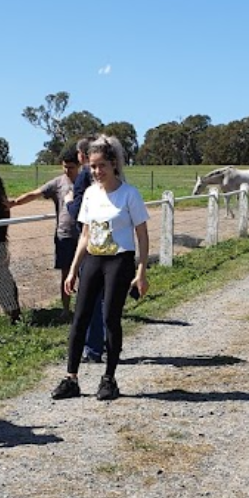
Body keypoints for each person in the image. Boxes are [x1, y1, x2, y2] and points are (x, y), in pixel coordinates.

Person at [52, 134, 149, 402]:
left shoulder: (129, 194)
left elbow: (142, 234)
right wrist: (73, 270)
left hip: (119, 261)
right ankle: (71, 378)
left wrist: (141, 271)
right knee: (80, 317)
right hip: (93, 259)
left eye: (101, 165)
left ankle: (109, 379)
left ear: (114, 164)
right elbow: (85, 234)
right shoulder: (91, 194)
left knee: (110, 318)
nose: (96, 171)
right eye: (92, 166)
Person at [9, 145, 81, 318]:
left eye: (70, 167)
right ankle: (65, 310)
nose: (67, 170)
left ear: (79, 165)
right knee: (66, 273)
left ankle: (85, 308)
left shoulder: (87, 182)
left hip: (84, 236)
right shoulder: (58, 183)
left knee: (85, 273)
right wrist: (16, 202)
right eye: (64, 166)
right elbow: (36, 193)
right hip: (64, 235)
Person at [67, 136, 106, 362]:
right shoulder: (112, 175)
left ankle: (92, 349)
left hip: (91, 243)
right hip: (111, 244)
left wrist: (69, 201)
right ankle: (105, 343)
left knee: (90, 299)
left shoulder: (84, 175)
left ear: (82, 155)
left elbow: (80, 213)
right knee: (105, 299)